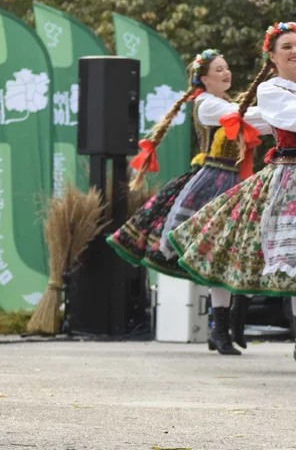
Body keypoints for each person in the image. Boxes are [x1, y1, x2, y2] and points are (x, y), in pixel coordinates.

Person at [168, 22, 296, 374]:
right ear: (272, 57)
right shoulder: (271, 90)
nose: (295, 51)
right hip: (295, 179)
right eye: (286, 46)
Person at [107, 49, 269, 356]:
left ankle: (227, 325)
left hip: (237, 182)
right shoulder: (207, 104)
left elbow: (253, 120)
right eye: (218, 70)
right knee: (218, 255)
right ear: (204, 79)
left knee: (233, 254)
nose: (226, 73)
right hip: (213, 182)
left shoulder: (228, 105)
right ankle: (220, 328)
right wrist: (283, 111)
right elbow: (241, 117)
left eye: (226, 68)